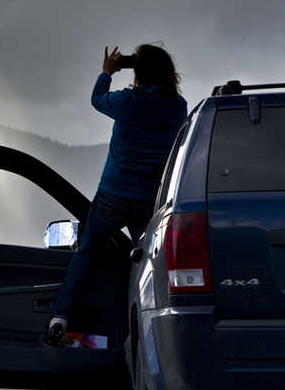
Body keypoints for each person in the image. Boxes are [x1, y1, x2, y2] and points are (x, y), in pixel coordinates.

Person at [48, 44, 188, 346]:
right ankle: (147, 327)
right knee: (146, 265)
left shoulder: (127, 102)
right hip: (148, 201)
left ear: (138, 71)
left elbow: (97, 100)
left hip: (113, 194)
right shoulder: (178, 106)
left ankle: (61, 317)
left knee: (87, 253)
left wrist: (107, 73)